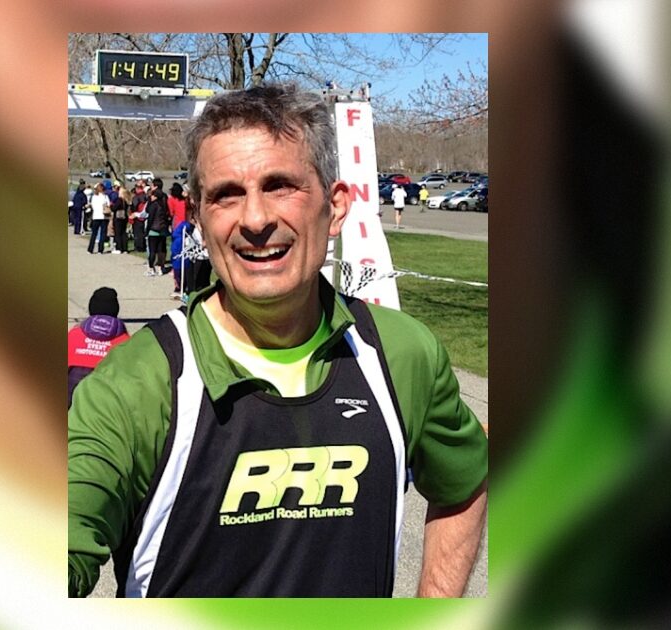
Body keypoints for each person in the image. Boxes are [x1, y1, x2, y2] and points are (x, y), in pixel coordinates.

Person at [69, 83, 488, 598]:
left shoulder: (404, 353)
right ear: (198, 218)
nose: (255, 219)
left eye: (281, 185)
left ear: (336, 207)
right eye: (226, 194)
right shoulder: (135, 384)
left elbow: (465, 483)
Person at [68, 288, 130, 406]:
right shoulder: (125, 342)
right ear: (116, 310)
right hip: (106, 407)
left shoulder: (73, 336)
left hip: (71, 402)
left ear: (91, 309)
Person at [145, 179, 170, 276]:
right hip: (163, 228)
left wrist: (147, 230)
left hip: (154, 229)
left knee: (152, 250)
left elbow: (150, 215)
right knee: (161, 249)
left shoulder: (154, 205)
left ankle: (151, 268)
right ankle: (160, 267)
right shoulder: (164, 203)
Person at [87, 183, 109, 254]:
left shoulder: (94, 197)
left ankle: (90, 249)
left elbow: (92, 206)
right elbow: (108, 205)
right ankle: (100, 249)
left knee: (94, 233)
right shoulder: (105, 197)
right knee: (103, 233)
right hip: (103, 216)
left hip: (96, 216)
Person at [130, 182, 149, 254]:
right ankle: (143, 246)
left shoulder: (137, 197)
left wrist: (133, 212)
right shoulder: (146, 196)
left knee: (137, 232)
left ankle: (138, 247)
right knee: (142, 232)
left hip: (137, 215)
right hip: (144, 215)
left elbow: (134, 205)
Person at [110, 184, 129, 254]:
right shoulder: (126, 200)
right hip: (124, 217)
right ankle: (125, 248)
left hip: (118, 217)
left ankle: (119, 248)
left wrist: (111, 205)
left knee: (118, 233)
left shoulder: (119, 200)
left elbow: (114, 208)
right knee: (123, 233)